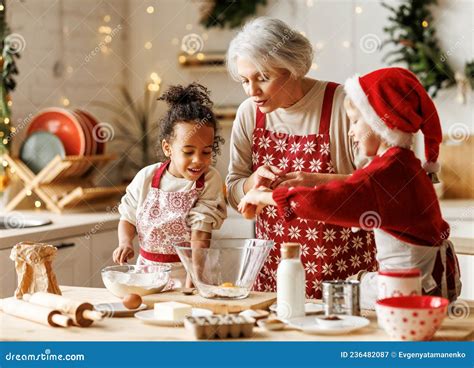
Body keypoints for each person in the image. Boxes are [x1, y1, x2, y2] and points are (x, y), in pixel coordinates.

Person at [239, 67, 462, 308]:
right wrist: (311, 179)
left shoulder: (385, 173)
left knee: (327, 300)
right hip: (431, 283)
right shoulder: (404, 164)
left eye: (355, 121)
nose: (350, 130)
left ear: (381, 121)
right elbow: (356, 187)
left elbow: (324, 202)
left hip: (408, 292)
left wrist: (267, 196)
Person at [226, 17, 377, 298]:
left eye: (262, 78)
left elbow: (374, 188)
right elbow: (233, 191)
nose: (252, 91)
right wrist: (251, 184)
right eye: (245, 80)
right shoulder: (249, 113)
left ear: (292, 68)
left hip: (344, 269)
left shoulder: (343, 104)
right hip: (274, 271)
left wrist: (313, 181)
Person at [113, 83, 227, 287]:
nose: (198, 160)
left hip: (188, 272)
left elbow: (200, 235)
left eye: (206, 152)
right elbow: (128, 217)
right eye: (188, 152)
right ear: (168, 148)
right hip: (147, 274)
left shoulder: (209, 180)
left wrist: (195, 276)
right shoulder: (147, 177)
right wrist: (125, 242)